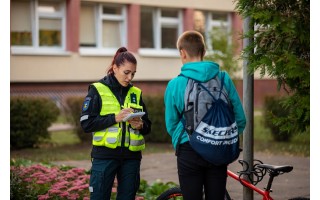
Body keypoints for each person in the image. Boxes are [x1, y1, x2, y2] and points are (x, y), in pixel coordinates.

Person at [164, 30, 246, 200]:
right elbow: (240, 120)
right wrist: (220, 136)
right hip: (218, 149)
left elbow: (171, 124)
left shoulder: (176, 84)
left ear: (182, 52)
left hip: (189, 149)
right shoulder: (223, 79)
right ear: (204, 51)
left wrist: (185, 140)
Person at [80, 47, 152, 200]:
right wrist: (115, 118)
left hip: (131, 158)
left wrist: (140, 125)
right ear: (115, 68)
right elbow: (87, 124)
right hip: (104, 156)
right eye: (126, 72)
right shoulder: (97, 90)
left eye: (133, 73)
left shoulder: (136, 93)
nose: (130, 77)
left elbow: (148, 126)